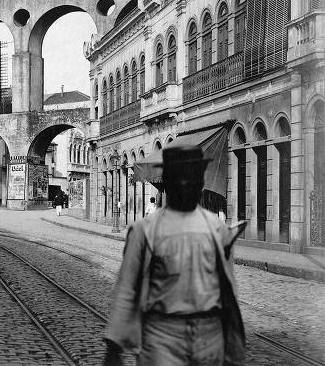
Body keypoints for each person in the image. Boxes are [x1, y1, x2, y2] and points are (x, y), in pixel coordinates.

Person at [103, 145, 245, 366]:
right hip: (162, 337)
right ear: (167, 182)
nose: (187, 184)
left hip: (210, 337)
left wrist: (232, 348)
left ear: (201, 181)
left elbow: (228, 290)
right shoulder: (145, 231)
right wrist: (114, 346)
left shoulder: (217, 229)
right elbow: (127, 288)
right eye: (180, 177)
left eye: (193, 177)